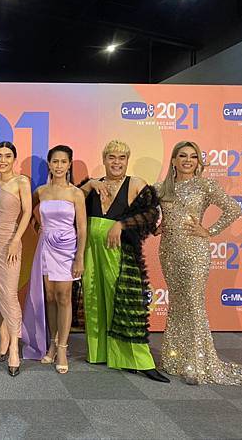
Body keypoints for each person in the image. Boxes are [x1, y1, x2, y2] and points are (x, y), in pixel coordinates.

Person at [155, 141, 242, 385]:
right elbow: (145, 213)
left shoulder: (205, 185)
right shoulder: (161, 189)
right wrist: (154, 226)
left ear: (198, 162)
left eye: (193, 156)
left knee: (194, 304)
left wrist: (210, 231)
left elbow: (233, 208)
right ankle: (174, 359)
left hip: (196, 252)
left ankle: (197, 365)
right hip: (169, 253)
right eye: (182, 156)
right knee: (177, 303)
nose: (188, 160)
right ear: (173, 160)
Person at [79, 140, 169, 382]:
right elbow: (71, 201)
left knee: (125, 304)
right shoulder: (94, 185)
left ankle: (139, 360)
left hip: (118, 251)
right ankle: (101, 353)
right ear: (104, 159)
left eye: (121, 157)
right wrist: (89, 184)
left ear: (127, 160)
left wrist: (121, 224)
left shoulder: (136, 184)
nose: (116, 162)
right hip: (90, 250)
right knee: (94, 299)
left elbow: (151, 213)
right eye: (111, 157)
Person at [22, 145, 85, 375]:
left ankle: (62, 349)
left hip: (67, 249)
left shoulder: (76, 193)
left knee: (64, 296)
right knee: (49, 296)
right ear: (49, 164)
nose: (59, 166)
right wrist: (37, 227)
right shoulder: (41, 191)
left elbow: (82, 228)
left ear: (69, 165)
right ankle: (51, 343)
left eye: (63, 162)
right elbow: (26, 212)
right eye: (55, 161)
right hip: (46, 247)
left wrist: (79, 257)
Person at [0, 142, 32, 377]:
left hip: (11, 242)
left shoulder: (22, 182)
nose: (3, 160)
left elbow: (28, 212)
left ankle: (14, 348)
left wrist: (15, 239)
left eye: (7, 156)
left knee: (9, 295)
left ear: (14, 159)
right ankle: (3, 342)